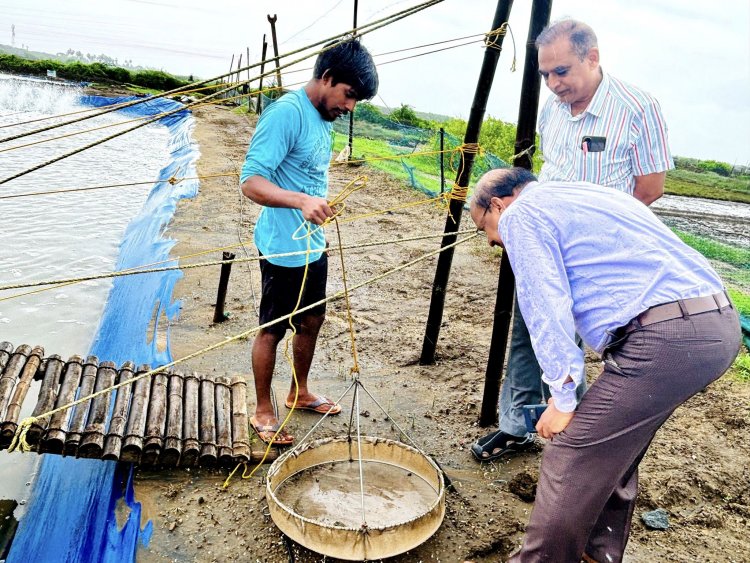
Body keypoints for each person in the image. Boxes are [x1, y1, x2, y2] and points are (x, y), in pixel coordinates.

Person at [470, 167, 740, 562]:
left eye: (485, 227)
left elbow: (546, 305)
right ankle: (598, 552)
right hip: (717, 324)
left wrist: (562, 398)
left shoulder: (521, 214)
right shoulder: (586, 193)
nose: (495, 240)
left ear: (498, 204)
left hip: (665, 336)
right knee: (616, 445)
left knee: (572, 452)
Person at [472, 19, 674, 461]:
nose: (552, 83)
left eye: (561, 71)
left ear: (592, 57)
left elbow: (650, 187)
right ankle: (518, 424)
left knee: (589, 340)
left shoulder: (638, 109)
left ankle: (575, 436)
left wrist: (598, 237)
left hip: (597, 257)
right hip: (545, 244)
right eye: (545, 74)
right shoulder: (553, 111)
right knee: (532, 332)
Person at [239, 39, 378, 445]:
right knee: (272, 329)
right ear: (328, 78)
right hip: (281, 247)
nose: (350, 107)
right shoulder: (287, 113)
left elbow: (307, 176)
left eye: (357, 101)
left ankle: (299, 392)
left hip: (312, 245)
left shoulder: (324, 121)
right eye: (348, 95)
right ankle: (263, 407)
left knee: (312, 320)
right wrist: (301, 201)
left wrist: (317, 204)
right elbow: (250, 181)